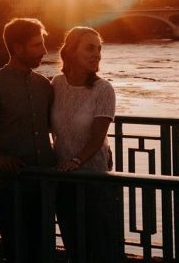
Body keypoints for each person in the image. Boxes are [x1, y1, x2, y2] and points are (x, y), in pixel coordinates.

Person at [0, 17, 57, 262]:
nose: (44, 51)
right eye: (37, 45)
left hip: (44, 181)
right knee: (17, 251)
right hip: (13, 186)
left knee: (42, 249)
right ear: (18, 48)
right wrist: (0, 158)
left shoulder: (44, 85)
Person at [52, 26, 123, 263]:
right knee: (74, 246)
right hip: (63, 179)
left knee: (100, 248)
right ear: (71, 51)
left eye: (99, 49)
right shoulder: (56, 85)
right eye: (90, 48)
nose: (97, 55)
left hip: (94, 179)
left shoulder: (104, 89)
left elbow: (97, 137)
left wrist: (76, 161)